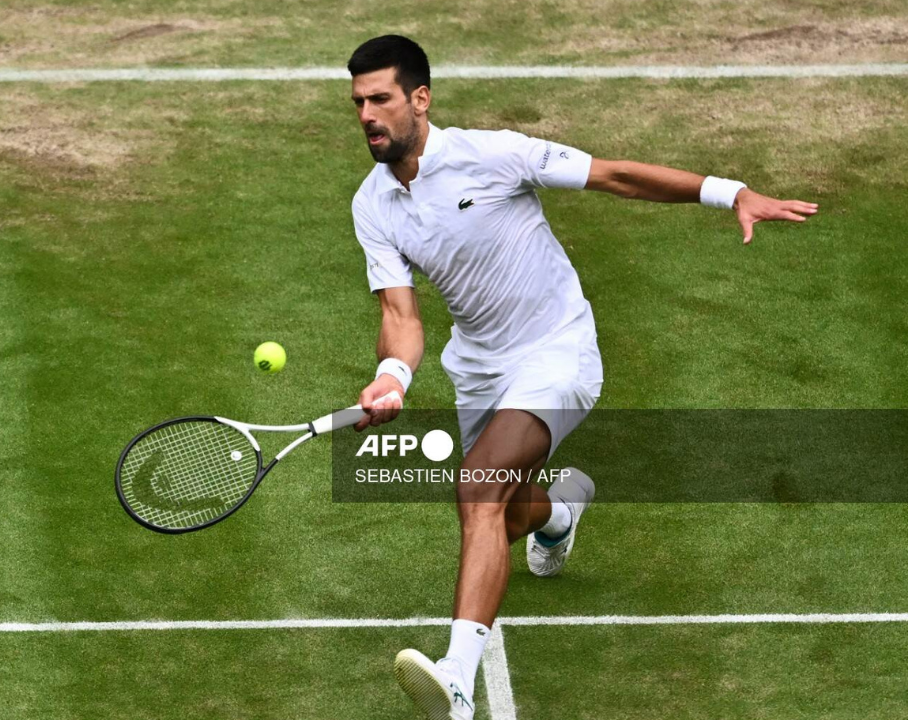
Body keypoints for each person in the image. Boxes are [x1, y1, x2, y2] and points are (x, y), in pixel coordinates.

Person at [345, 35, 818, 720]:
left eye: (380, 98)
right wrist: (392, 374)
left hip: (556, 349)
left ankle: (456, 676)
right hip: (479, 367)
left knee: (476, 485)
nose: (367, 114)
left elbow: (614, 175)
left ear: (419, 99)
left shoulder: (494, 154)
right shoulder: (373, 204)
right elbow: (401, 314)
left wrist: (729, 191)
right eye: (358, 102)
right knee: (504, 514)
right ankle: (559, 513)